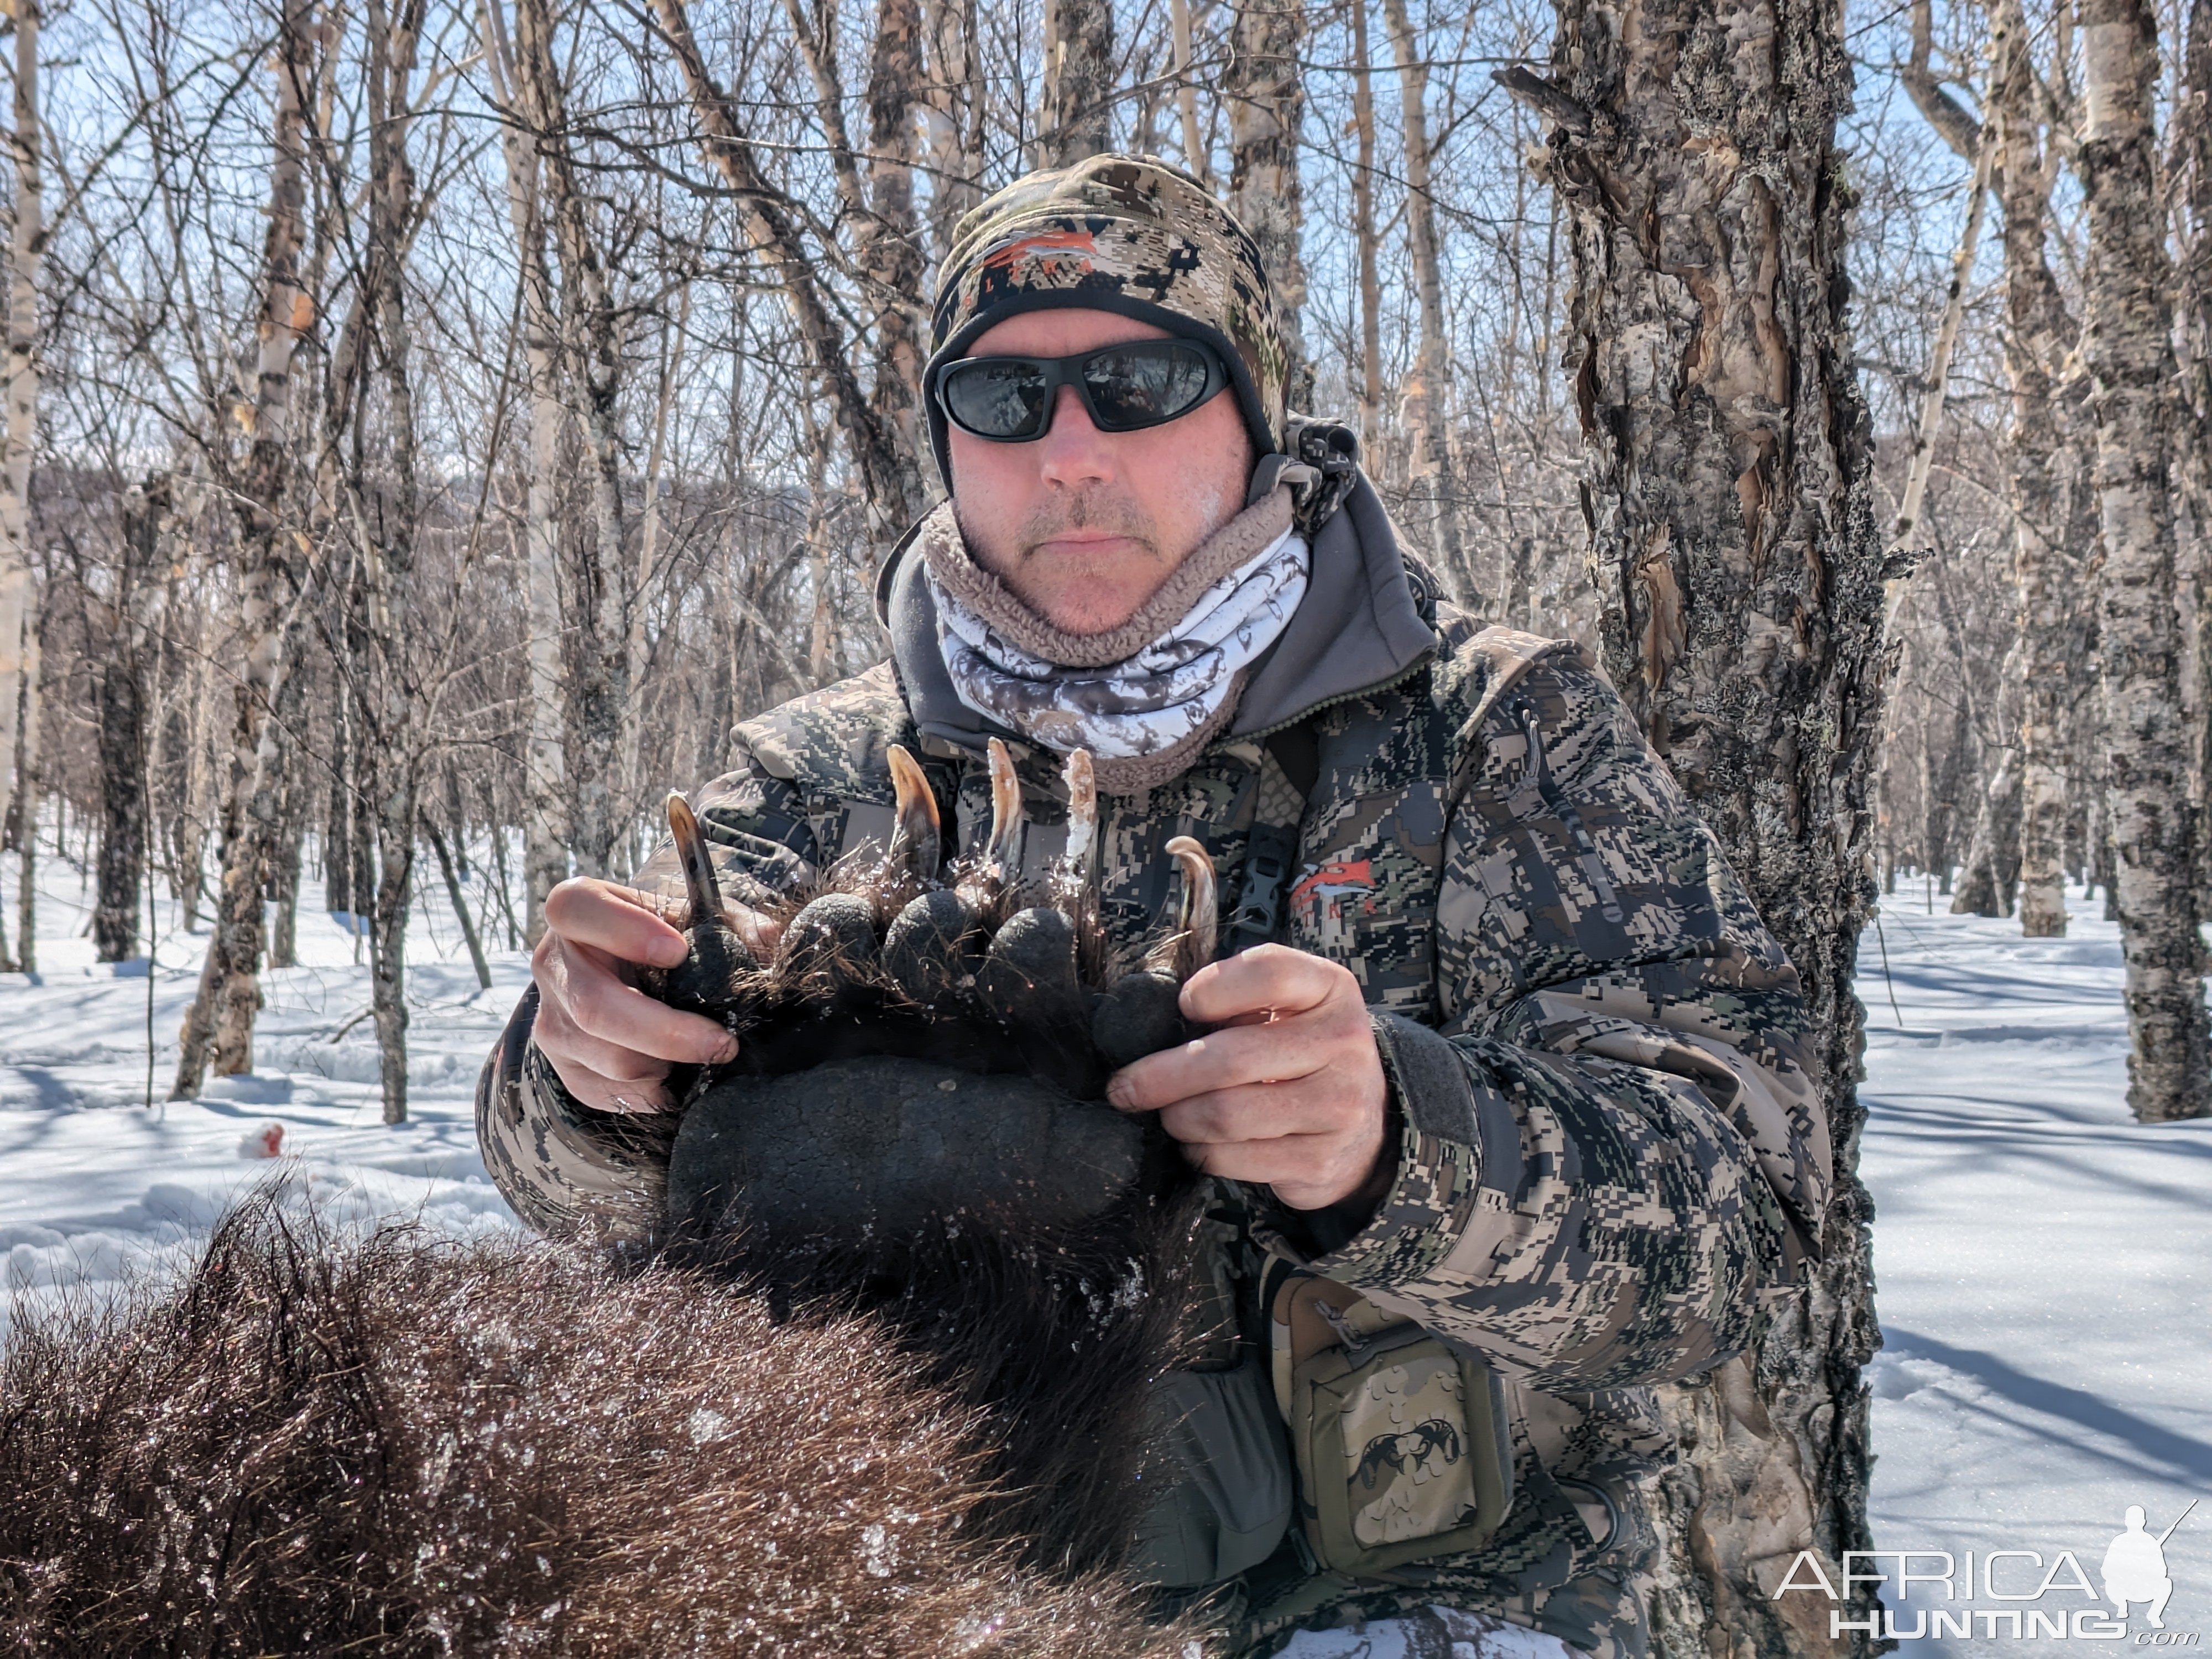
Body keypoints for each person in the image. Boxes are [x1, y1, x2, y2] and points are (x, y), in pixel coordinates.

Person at [476, 154, 1832, 1659]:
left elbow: (1752, 1218)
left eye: (1137, 383)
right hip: (945, 1587)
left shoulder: (1493, 729)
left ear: (1250, 417)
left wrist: (1400, 1146)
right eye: (1004, 401)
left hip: (1458, 1594)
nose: (1069, 453)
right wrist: (583, 1078)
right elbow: (562, 1183)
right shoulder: (813, 780)